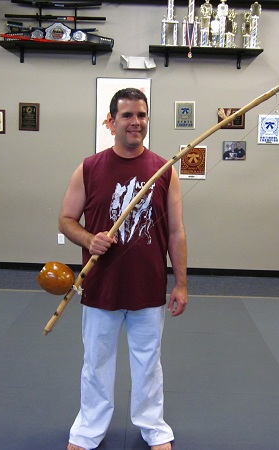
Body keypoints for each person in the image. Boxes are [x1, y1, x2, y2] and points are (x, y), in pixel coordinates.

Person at [59, 87, 188, 450]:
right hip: (101, 285)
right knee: (96, 363)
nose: (136, 122)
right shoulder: (89, 168)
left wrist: (180, 283)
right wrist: (89, 240)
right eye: (127, 115)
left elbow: (176, 232)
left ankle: (153, 427)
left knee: (148, 363)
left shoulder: (164, 170)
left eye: (141, 115)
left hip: (148, 286)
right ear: (111, 121)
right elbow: (66, 220)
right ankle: (88, 430)